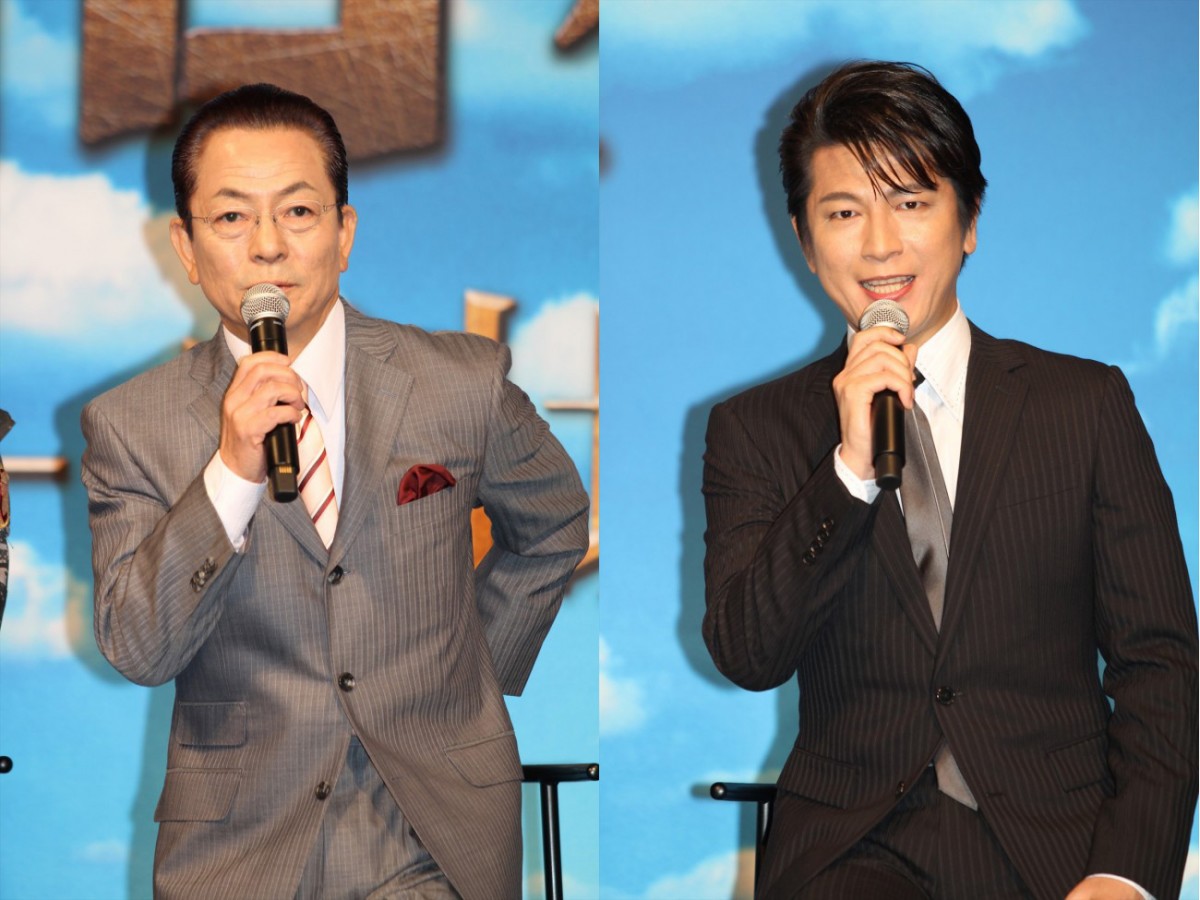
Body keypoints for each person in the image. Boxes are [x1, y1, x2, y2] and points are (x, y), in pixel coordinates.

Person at [702, 62, 1197, 900]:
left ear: (968, 221)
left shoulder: (1084, 404)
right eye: (844, 212)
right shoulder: (754, 428)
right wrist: (849, 471)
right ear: (805, 240)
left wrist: (1127, 873)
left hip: (1060, 852)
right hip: (849, 855)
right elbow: (750, 653)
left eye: (910, 202)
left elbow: (1161, 662)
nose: (880, 244)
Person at [81, 83, 589, 899]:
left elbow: (555, 522)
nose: (268, 247)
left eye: (298, 212)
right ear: (186, 246)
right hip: (237, 849)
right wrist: (231, 474)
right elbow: (139, 647)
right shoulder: (131, 424)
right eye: (231, 217)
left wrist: (467, 680)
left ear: (345, 232)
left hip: (430, 833)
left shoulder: (459, 381)